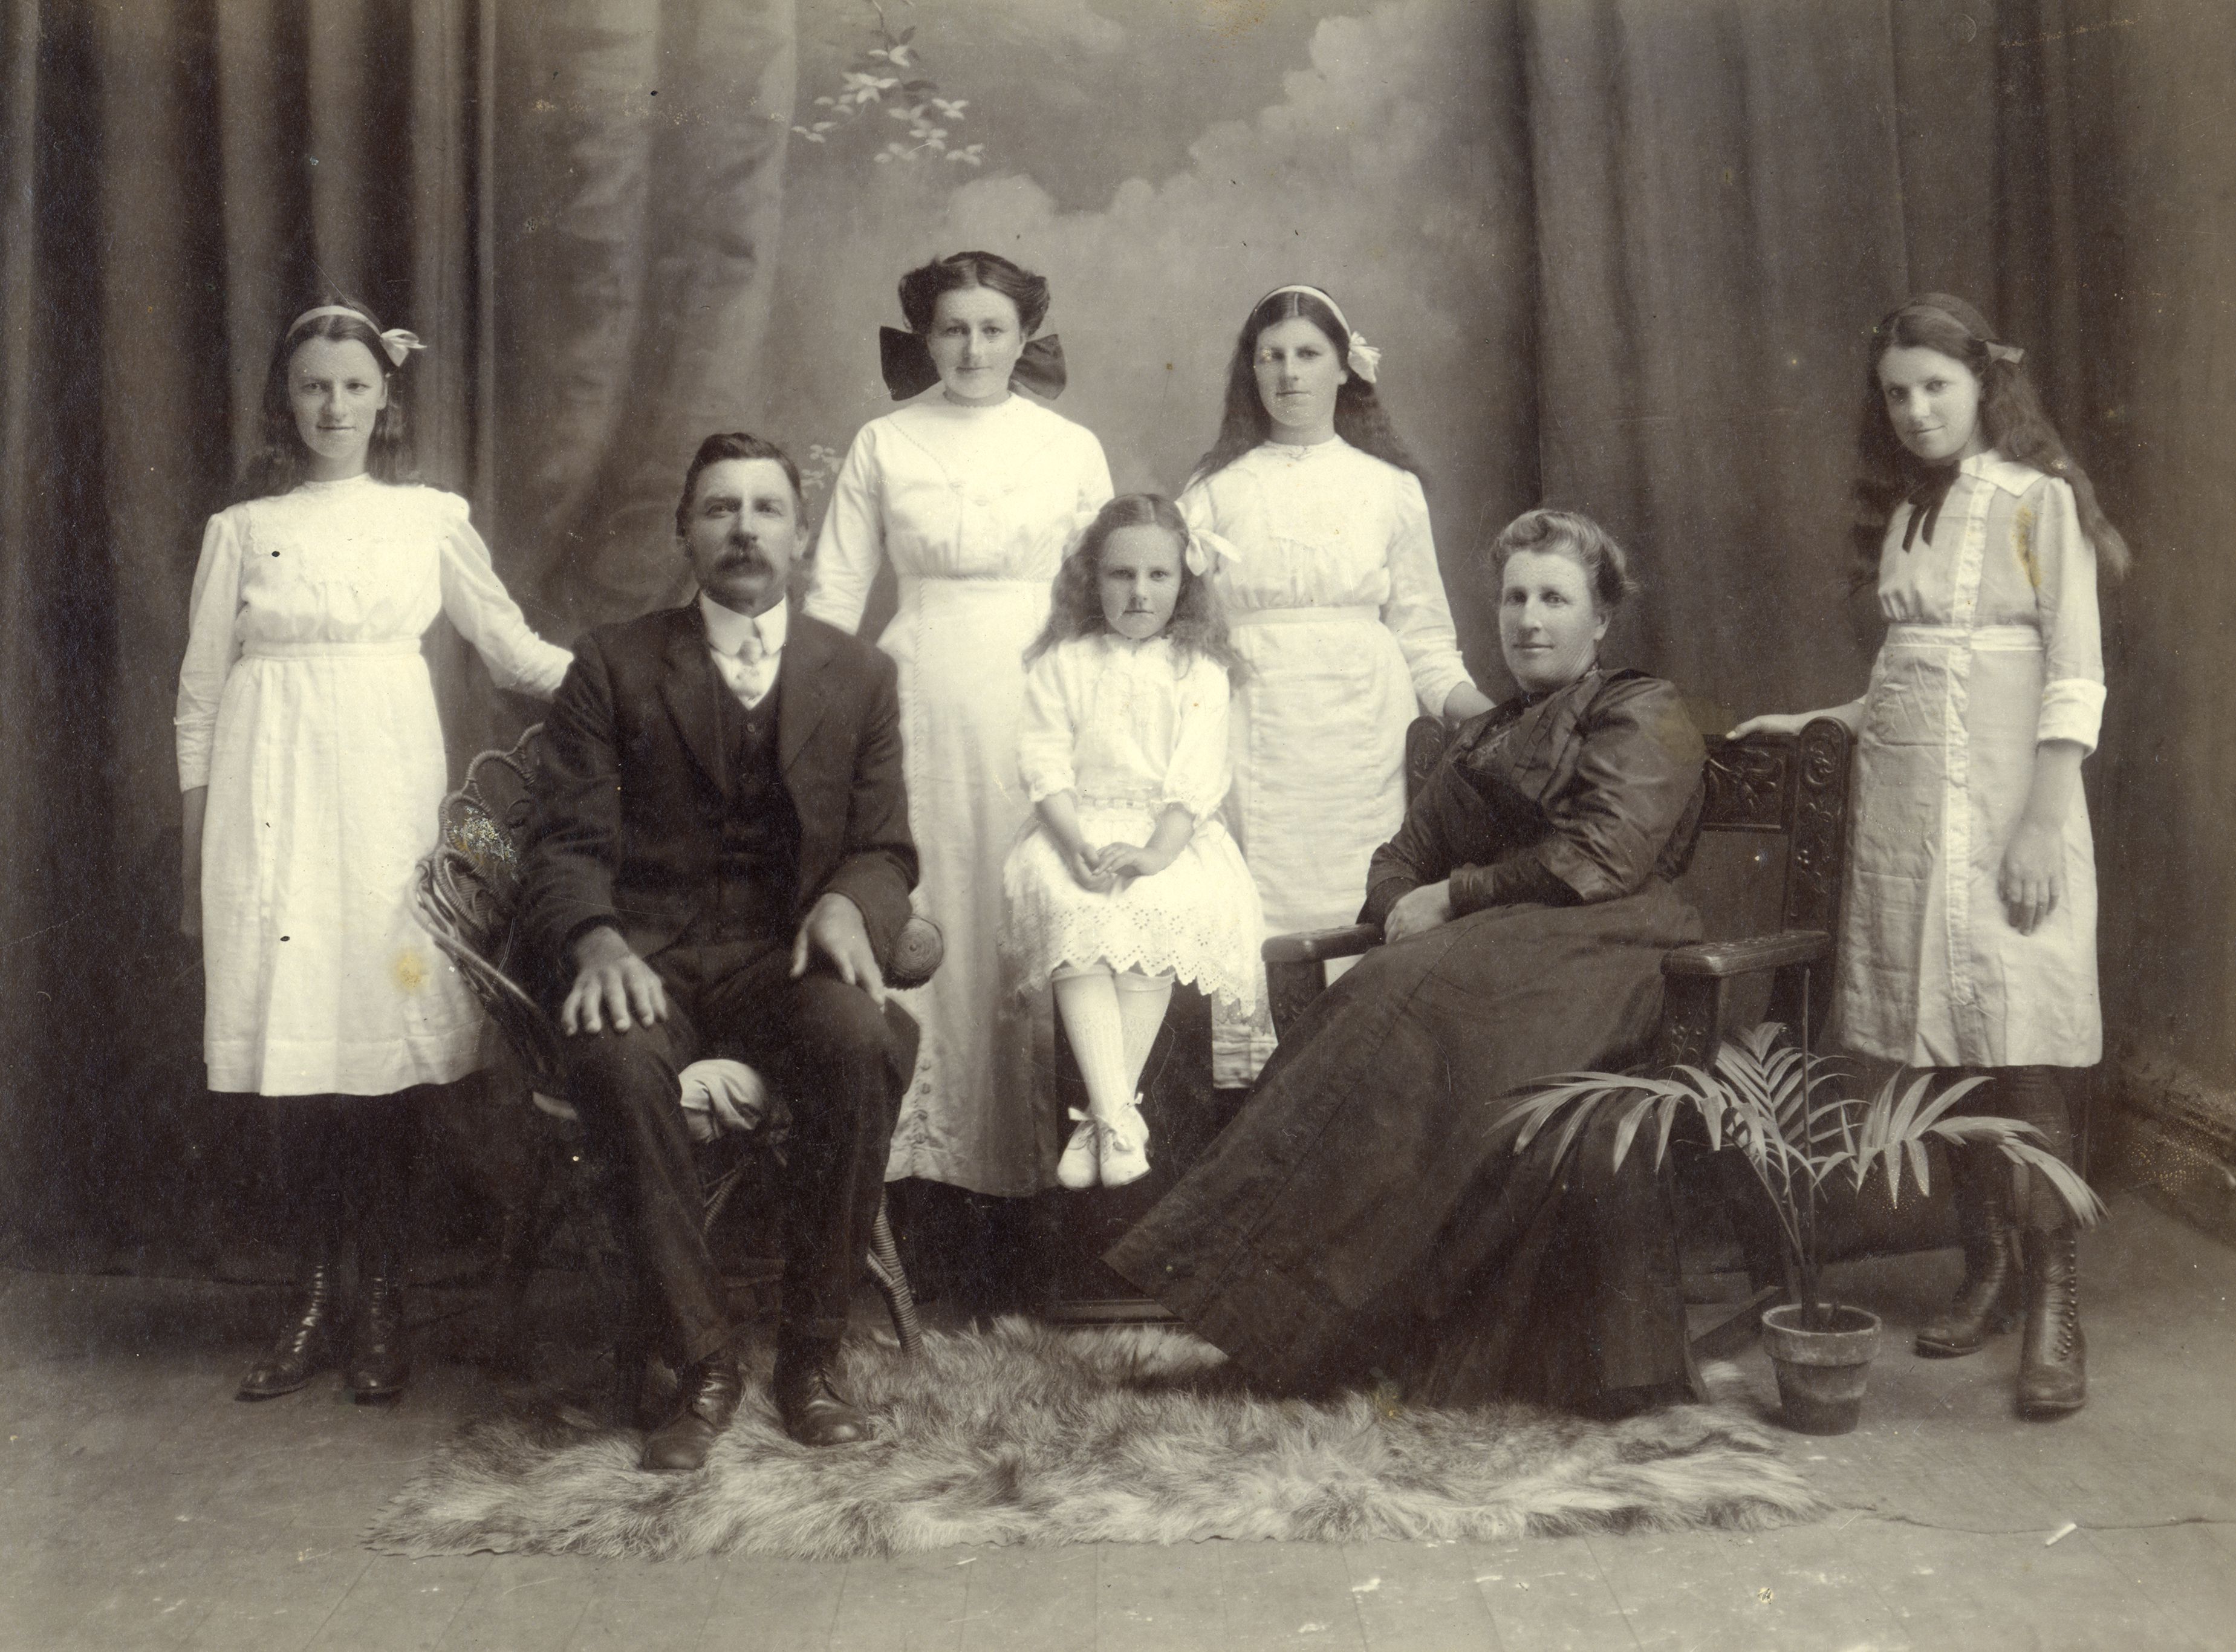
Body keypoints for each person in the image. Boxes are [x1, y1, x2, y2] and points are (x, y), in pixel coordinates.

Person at [1108, 509, 1708, 1416]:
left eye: (1555, 598)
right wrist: (1405, 908)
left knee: (1412, 1013)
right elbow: (1398, 862)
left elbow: (1606, 855)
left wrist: (1454, 900)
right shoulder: (1482, 736)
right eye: (1513, 597)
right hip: (1483, 960)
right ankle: (1281, 1323)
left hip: (1607, 951)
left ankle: (1311, 1332)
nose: (1528, 620)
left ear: (1601, 620)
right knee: (1383, 1006)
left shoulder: (1640, 710)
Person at [1730, 294, 2126, 1418]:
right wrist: (1816, 718)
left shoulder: (2032, 501)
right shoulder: (1907, 515)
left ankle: (2053, 1296)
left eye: (1933, 387)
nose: (1913, 409)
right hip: (1912, 810)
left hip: (2012, 804)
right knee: (1949, 1042)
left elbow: (2073, 670)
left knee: (2026, 1041)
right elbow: (1914, 677)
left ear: (1980, 386)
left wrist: (2044, 819)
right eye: (1895, 392)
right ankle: (1986, 1265)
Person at [175, 299, 573, 1404]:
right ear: (285, 398)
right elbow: (200, 703)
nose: (333, 405)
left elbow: (515, 649)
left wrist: (640, 669)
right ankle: (314, 1295)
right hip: (269, 811)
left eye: (353, 385)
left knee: (381, 1053)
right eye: (313, 385)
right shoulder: (242, 530)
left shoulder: (426, 518)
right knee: (294, 1059)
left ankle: (385, 1299)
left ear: (384, 398)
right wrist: (196, 861)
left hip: (381, 803)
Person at [518, 432, 918, 1468]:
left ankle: (811, 1359)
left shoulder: (861, 673)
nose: (744, 528)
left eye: (766, 509)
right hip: (648, 954)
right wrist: (597, 938)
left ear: (798, 533)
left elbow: (883, 846)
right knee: (613, 1057)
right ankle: (702, 1361)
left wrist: (848, 905)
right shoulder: (613, 663)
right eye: (719, 509)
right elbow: (561, 840)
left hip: (780, 960)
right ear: (683, 532)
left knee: (859, 1036)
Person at [806, 252, 1114, 1246]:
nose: (972, 348)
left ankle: (1033, 1199)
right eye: (952, 329)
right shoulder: (883, 441)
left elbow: (1104, 603)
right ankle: (913, 1192)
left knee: (1018, 914)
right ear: (924, 338)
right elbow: (832, 598)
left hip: (1037, 699)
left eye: (991, 329)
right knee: (926, 912)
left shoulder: (1069, 447)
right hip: (916, 705)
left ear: (1024, 337)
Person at [1180, 284, 1493, 1085]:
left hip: (1361, 737)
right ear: (1249, 371)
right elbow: (1183, 643)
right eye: (1271, 356)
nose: (1289, 374)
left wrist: (1492, 716)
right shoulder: (1212, 490)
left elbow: (1424, 635)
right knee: (1254, 913)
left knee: (1358, 908)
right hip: (1250, 731)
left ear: (1344, 368)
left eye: (1307, 355)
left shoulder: (1388, 488)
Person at [999, 495, 1261, 1189]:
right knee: (1073, 911)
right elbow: (1044, 765)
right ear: (1093, 579)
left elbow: (1195, 781)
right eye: (1120, 576)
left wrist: (1153, 854)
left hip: (1170, 836)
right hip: (1074, 828)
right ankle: (1117, 1114)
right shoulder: (1063, 660)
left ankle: (1101, 1123)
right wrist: (1074, 842)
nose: (1139, 592)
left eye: (1158, 576)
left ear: (1185, 582)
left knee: (1160, 908)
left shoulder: (1198, 668)